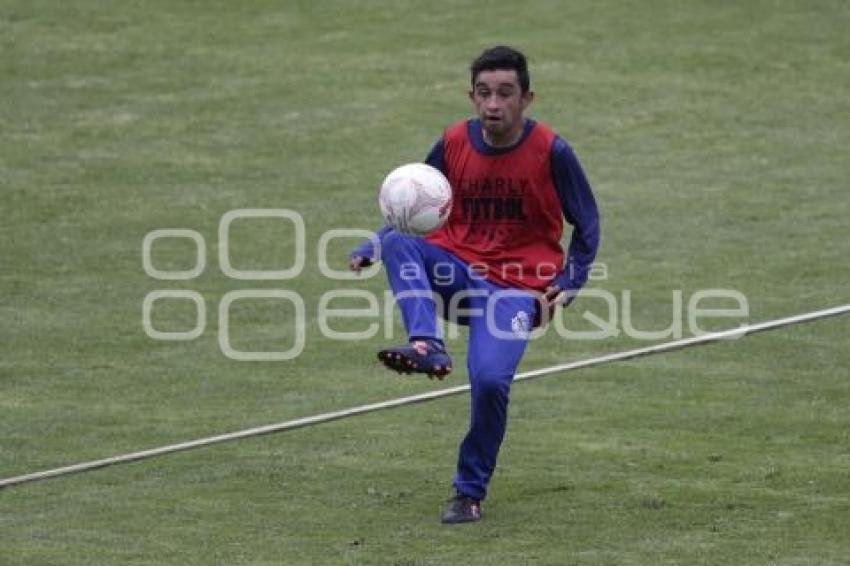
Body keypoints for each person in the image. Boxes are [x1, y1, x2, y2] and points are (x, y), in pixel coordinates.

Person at [349, 46, 600, 524]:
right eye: (484, 93)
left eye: (505, 94)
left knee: (489, 382)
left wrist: (571, 281)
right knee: (402, 247)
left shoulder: (553, 151)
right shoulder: (453, 142)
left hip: (514, 294)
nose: (493, 104)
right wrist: (374, 244)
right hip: (456, 273)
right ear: (472, 96)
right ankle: (428, 344)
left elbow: (587, 222)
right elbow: (409, 209)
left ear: (527, 98)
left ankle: (468, 494)